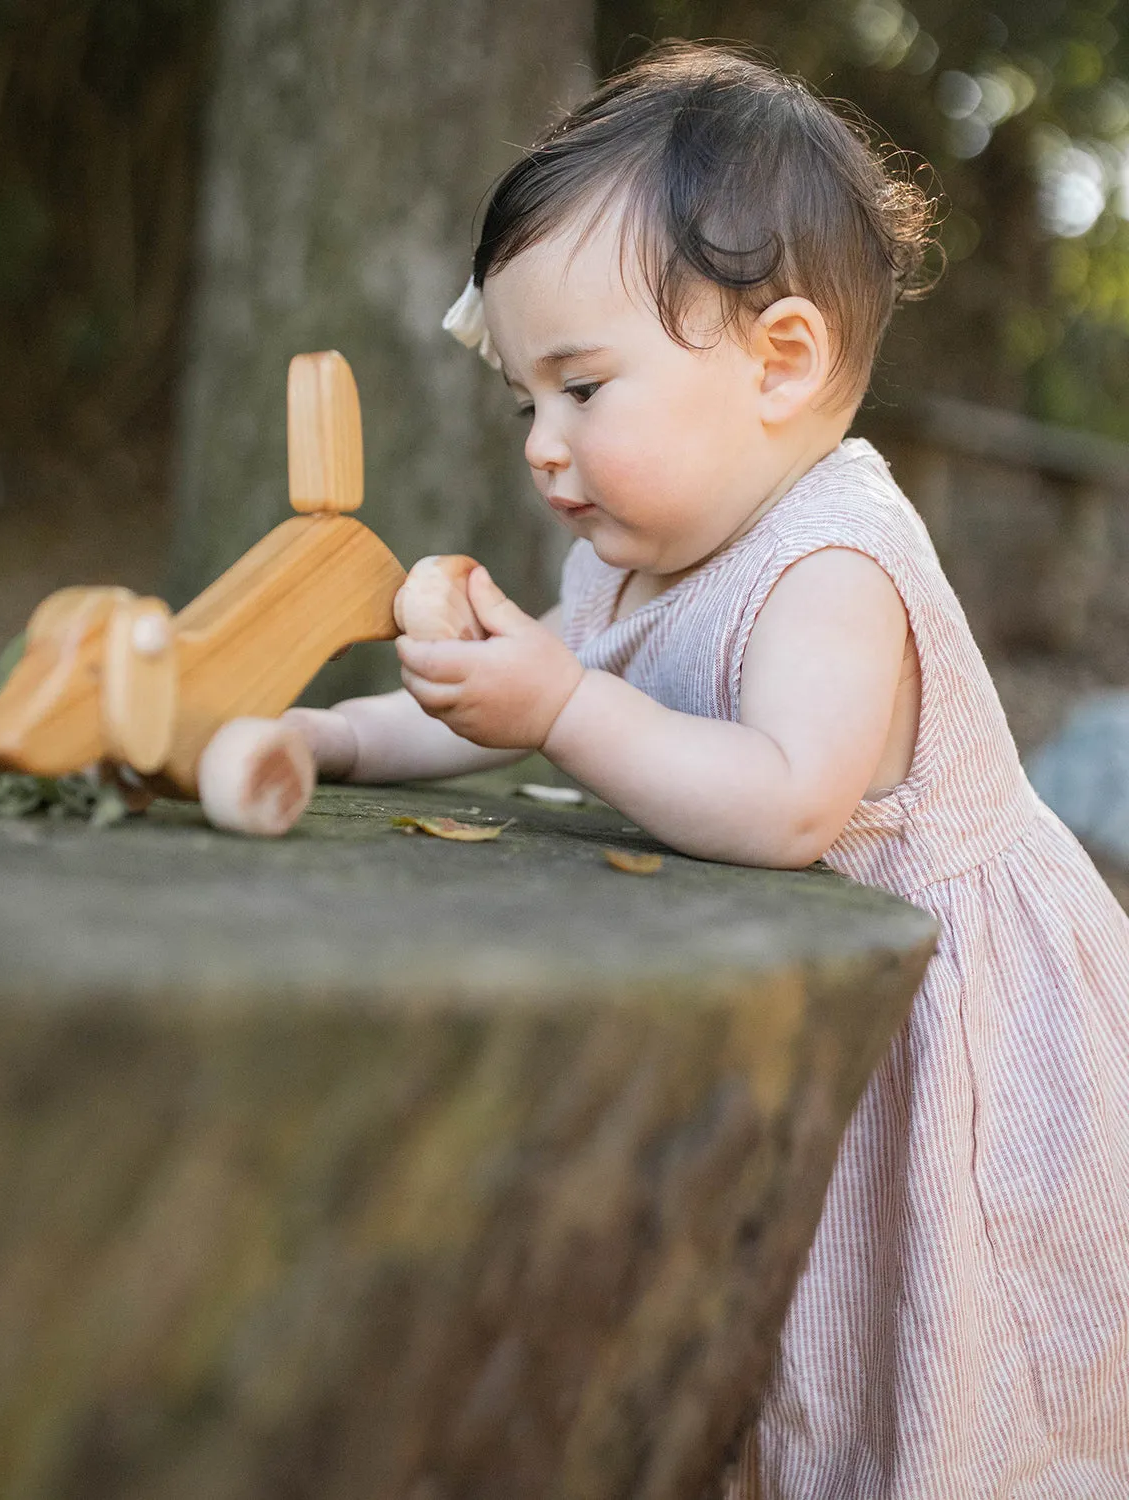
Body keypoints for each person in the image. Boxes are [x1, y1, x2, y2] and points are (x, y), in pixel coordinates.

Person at [284, 42, 1129, 1497]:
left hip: (954, 1042)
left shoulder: (833, 561)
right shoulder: (638, 554)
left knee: (934, 1383)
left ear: (780, 362)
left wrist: (559, 707)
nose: (545, 448)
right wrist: (338, 735)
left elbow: (790, 797)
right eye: (525, 402)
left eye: (583, 387)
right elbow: (520, 690)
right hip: (802, 1022)